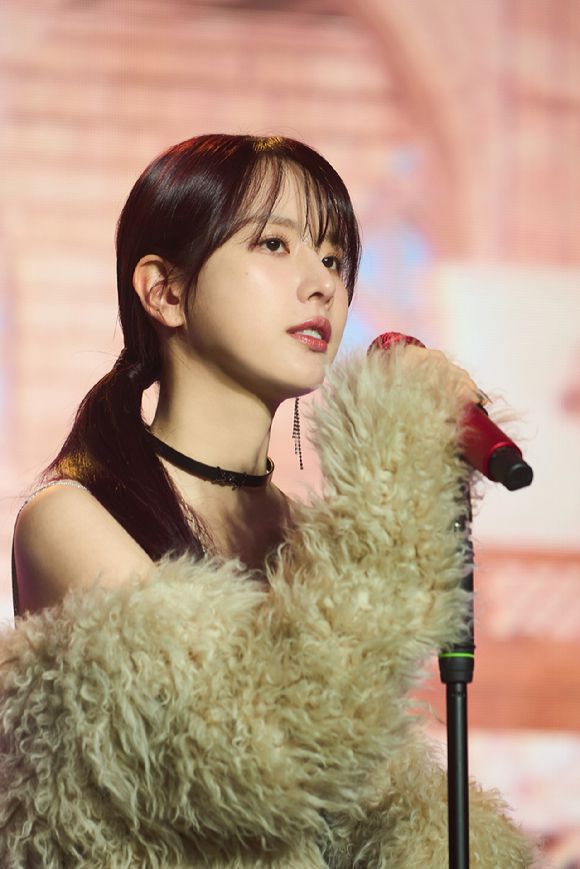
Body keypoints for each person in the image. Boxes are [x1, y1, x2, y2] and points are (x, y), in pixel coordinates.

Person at [1, 135, 534, 867]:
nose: (322, 285)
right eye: (275, 245)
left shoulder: (305, 535)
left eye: (334, 259)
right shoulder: (70, 517)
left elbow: (359, 801)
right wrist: (394, 459)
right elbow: (258, 754)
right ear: (164, 291)